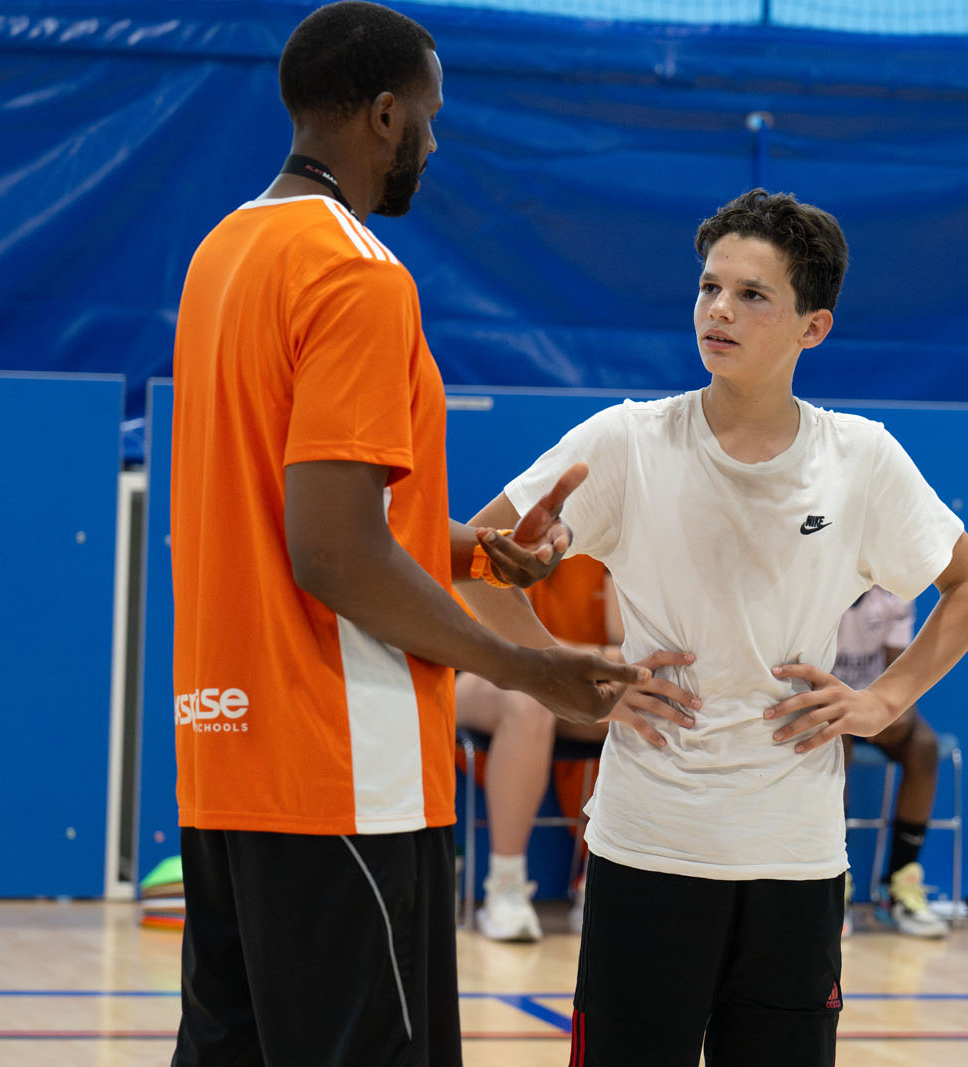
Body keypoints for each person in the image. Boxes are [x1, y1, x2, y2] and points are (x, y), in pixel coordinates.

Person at [167, 4, 650, 1064]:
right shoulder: (359, 274)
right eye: (428, 115)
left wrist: (477, 550)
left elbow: (300, 512)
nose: (434, 138)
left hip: (224, 755)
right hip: (343, 766)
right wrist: (528, 666)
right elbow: (332, 551)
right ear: (384, 115)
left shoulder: (222, 253)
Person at [463, 188, 968, 1066]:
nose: (719, 309)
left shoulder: (861, 458)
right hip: (648, 847)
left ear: (812, 327)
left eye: (753, 294)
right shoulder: (628, 442)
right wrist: (555, 666)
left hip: (795, 860)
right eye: (710, 286)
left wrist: (883, 700)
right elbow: (483, 560)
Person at [457, 554, 620, 942]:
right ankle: (506, 886)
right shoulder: (524, 517)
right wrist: (594, 657)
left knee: (646, 707)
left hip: (575, 678)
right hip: (485, 669)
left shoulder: (633, 522)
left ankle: (599, 880)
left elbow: (628, 648)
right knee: (528, 702)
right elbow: (507, 641)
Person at [835, 587, 948, 939]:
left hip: (873, 705)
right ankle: (835, 884)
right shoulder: (822, 581)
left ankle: (898, 884)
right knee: (835, 745)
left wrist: (889, 712)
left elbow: (900, 677)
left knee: (923, 747)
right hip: (822, 703)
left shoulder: (894, 592)